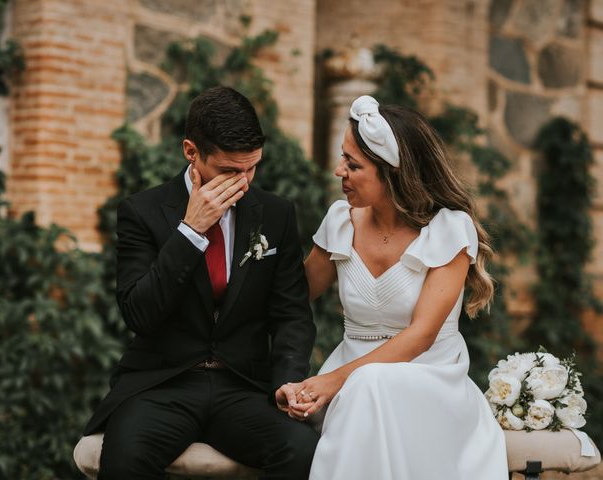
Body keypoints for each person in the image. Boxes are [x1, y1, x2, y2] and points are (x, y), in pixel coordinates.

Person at [81, 86, 319, 479]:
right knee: (124, 460)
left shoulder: (276, 214)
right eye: (229, 170)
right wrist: (191, 230)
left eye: (252, 168)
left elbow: (292, 313)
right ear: (191, 152)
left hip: (244, 387)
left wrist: (289, 381)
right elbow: (139, 313)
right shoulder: (142, 212)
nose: (243, 183)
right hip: (163, 385)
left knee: (301, 450)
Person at [277, 95, 508, 479]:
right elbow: (291, 298)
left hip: (429, 376)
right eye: (342, 158)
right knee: (364, 389)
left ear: (392, 173)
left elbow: (420, 336)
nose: (339, 171)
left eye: (353, 164)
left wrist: (333, 381)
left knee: (367, 385)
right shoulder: (340, 222)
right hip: (353, 379)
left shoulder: (449, 230)